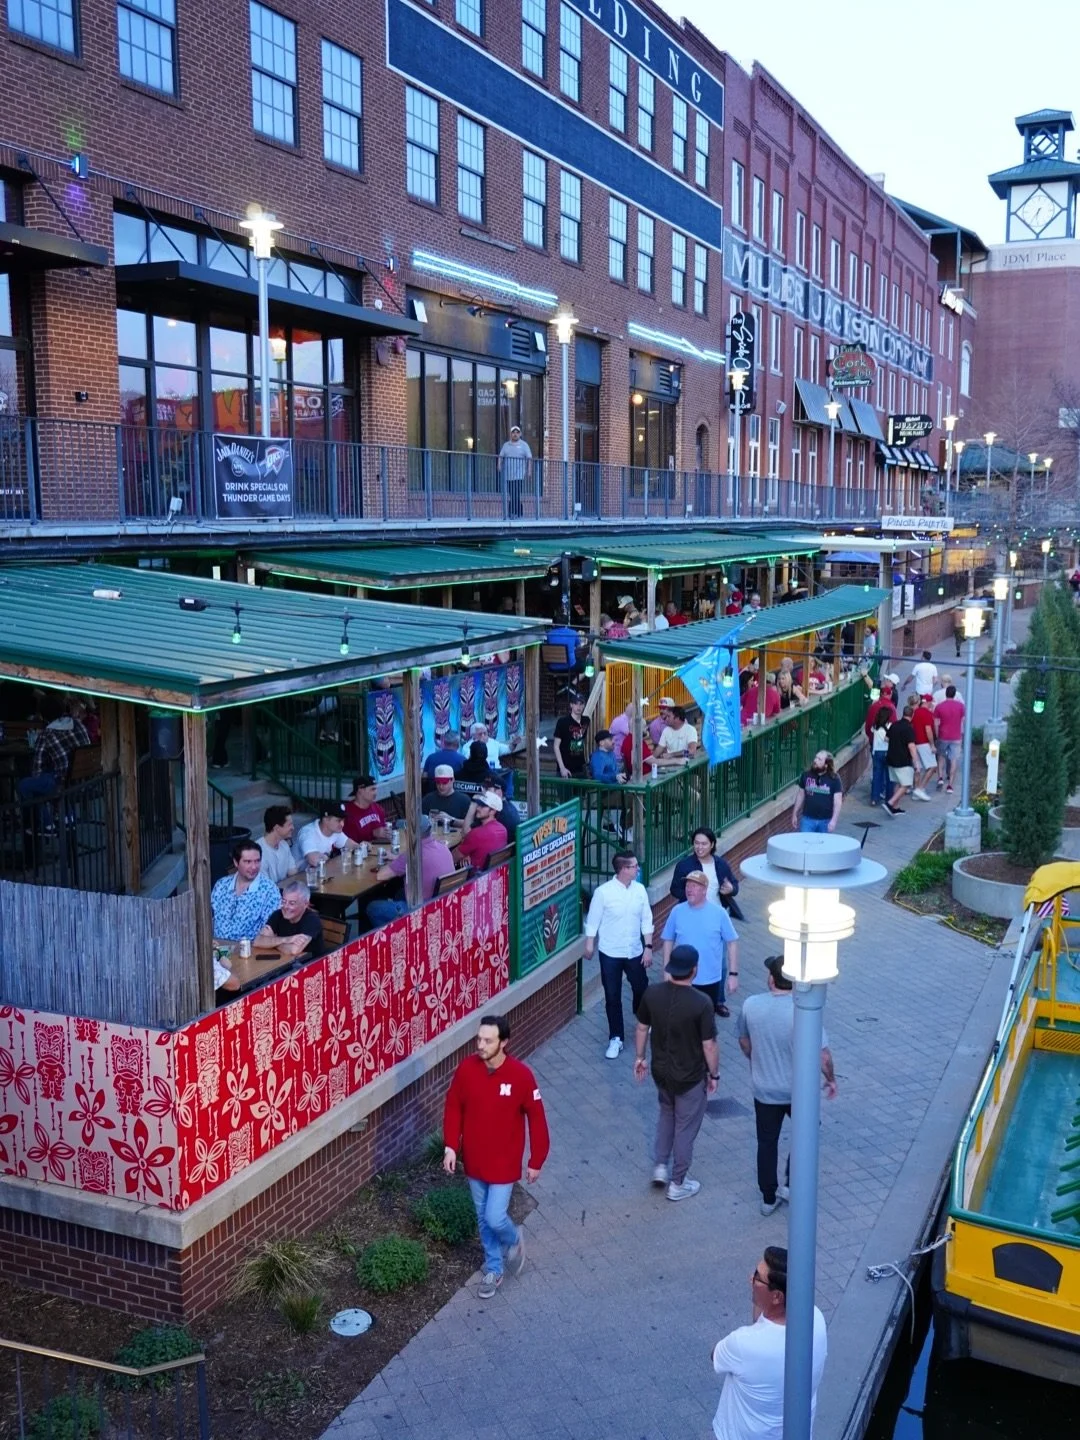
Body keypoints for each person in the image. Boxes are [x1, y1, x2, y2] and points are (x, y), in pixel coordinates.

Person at [443, 1014, 549, 1300]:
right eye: (479, 1038)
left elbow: (537, 1119)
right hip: (475, 1161)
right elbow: (453, 1106)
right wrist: (451, 1145)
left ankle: (514, 1239)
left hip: (504, 1163)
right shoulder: (467, 1070)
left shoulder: (521, 1076)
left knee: (494, 1216)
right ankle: (494, 1268)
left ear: (504, 1043)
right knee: (482, 1217)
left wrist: (536, 1159)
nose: (480, 1045)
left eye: (488, 1040)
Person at [738, 956, 837, 1215]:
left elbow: (744, 1042)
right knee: (807, 1134)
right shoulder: (802, 1011)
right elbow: (823, 1055)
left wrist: (756, 1058)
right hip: (799, 1092)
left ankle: (768, 1198)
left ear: (771, 978)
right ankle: (793, 1184)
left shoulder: (751, 1005)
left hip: (765, 1089)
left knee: (766, 1143)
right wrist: (830, 1079)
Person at [710, 1247, 827, 1439]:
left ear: (777, 1296)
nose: (751, 1278)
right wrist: (762, 1299)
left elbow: (715, 1355)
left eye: (757, 1277)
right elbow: (762, 1326)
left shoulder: (744, 1343)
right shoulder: (816, 1318)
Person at [633, 944, 718, 1201]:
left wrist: (640, 1058)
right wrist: (714, 1074)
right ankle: (678, 1183)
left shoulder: (653, 994)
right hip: (690, 1077)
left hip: (661, 1072)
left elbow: (641, 1028)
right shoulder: (702, 1003)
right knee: (685, 1127)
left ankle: (660, 1166)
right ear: (694, 970)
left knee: (666, 1116)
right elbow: (709, 1044)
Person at [583, 851, 654, 1060]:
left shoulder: (640, 890)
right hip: (610, 952)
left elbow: (646, 919)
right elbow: (593, 920)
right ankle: (616, 1037)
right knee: (612, 996)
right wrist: (589, 943)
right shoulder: (603, 893)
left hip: (634, 950)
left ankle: (643, 1018)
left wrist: (648, 946)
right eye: (633, 866)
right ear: (623, 869)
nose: (637, 869)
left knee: (641, 987)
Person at [661, 872, 739, 1016]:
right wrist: (666, 970)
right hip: (681, 978)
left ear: (705, 889)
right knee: (682, 1018)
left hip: (710, 980)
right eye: (687, 885)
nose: (689, 889)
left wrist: (733, 975)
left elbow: (732, 943)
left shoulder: (719, 913)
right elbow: (668, 940)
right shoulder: (677, 911)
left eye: (694, 886)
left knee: (706, 1021)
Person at [367, 815, 456, 925]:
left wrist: (400, 860)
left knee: (373, 908)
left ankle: (391, 939)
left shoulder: (412, 856)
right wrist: (398, 858)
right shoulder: (443, 847)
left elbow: (381, 875)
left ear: (409, 833)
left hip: (421, 911)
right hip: (443, 905)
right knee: (399, 892)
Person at [18, 697, 91, 802]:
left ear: (43, 716)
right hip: (87, 780)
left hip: (63, 785)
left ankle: (43, 818)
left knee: (24, 785)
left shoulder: (47, 734)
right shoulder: (78, 724)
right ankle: (60, 814)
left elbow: (37, 769)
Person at [210, 838, 280, 942]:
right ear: (236, 862)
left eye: (257, 861)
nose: (254, 867)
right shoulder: (221, 885)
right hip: (217, 949)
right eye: (248, 862)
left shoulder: (269, 890)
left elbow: (270, 931)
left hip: (247, 953)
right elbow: (211, 918)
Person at [670, 827, 742, 920]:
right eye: (696, 843)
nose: (699, 847)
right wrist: (692, 895)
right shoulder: (684, 865)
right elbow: (674, 889)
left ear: (712, 845)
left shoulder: (721, 864)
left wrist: (731, 889)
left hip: (716, 915)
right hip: (692, 915)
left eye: (704, 844)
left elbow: (734, 885)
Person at [256, 880, 325, 961]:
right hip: (285, 963)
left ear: (305, 904)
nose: (286, 907)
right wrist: (286, 940)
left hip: (311, 966)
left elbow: (294, 950)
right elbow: (257, 941)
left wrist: (271, 941)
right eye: (284, 901)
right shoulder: (278, 914)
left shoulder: (312, 920)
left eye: (292, 903)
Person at [791, 750, 843, 834]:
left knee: (823, 846)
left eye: (819, 759)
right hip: (807, 820)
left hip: (825, 821)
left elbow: (838, 801)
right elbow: (800, 795)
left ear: (826, 765)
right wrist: (794, 813)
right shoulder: (806, 775)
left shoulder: (834, 779)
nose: (815, 760)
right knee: (805, 845)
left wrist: (834, 820)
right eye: (816, 757)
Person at [457, 790, 509, 870]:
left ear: (493, 811)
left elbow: (452, 857)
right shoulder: (503, 829)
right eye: (479, 804)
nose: (478, 808)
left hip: (473, 877)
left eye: (483, 806)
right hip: (492, 875)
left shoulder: (477, 834)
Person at [884, 698, 919, 815]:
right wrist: (916, 763)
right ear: (912, 715)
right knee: (906, 784)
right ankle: (890, 803)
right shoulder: (909, 728)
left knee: (897, 783)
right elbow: (912, 747)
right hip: (903, 761)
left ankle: (894, 807)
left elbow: (886, 739)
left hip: (891, 759)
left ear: (903, 714)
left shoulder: (894, 725)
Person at [297, 801, 354, 866]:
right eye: (339, 820)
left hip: (320, 872)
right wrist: (327, 856)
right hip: (298, 874)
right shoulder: (307, 832)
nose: (342, 824)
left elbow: (350, 844)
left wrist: (363, 847)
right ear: (325, 819)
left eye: (343, 820)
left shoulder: (334, 831)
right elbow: (314, 861)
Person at [933, 683, 966, 793]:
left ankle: (940, 778)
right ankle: (950, 785)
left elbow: (936, 723)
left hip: (943, 735)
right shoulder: (961, 706)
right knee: (953, 760)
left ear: (946, 694)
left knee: (941, 757)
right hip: (956, 736)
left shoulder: (939, 707)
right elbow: (962, 720)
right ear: (955, 694)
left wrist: (937, 735)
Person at [343, 775, 392, 845]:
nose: (376, 793)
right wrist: (373, 833)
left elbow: (382, 835)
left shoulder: (378, 808)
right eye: (372, 789)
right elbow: (349, 844)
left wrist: (385, 834)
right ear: (360, 790)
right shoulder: (348, 813)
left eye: (375, 789)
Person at [256, 805, 298, 885]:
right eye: (289, 825)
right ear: (277, 828)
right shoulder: (257, 851)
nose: (293, 828)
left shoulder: (284, 845)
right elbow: (265, 886)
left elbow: (293, 874)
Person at [498, 424, 533, 519]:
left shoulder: (524, 445)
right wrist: (499, 466)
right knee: (511, 494)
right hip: (509, 475)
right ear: (511, 434)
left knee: (516, 494)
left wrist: (529, 471)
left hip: (519, 475)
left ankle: (515, 513)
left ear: (520, 434)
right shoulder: (506, 445)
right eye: (513, 432)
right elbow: (500, 456)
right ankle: (515, 513)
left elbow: (529, 458)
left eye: (517, 432)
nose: (515, 434)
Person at [553, 693, 589, 778]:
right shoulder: (562, 722)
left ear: (584, 705)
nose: (578, 707)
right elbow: (556, 746)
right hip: (565, 768)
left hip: (580, 767)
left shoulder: (586, 721)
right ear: (571, 705)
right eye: (576, 703)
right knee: (564, 791)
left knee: (581, 791)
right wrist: (562, 768)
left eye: (581, 704)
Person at [911, 693, 938, 800]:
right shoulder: (927, 714)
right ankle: (920, 789)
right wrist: (932, 745)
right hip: (924, 743)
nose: (932, 704)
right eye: (931, 702)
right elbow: (928, 730)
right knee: (932, 766)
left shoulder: (915, 712)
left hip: (915, 742)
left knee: (918, 768)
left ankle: (916, 791)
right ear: (928, 702)